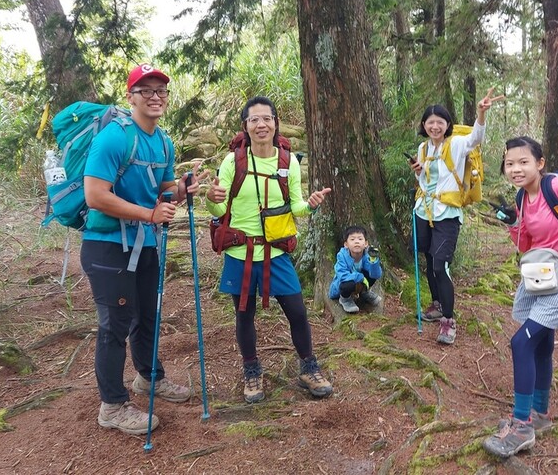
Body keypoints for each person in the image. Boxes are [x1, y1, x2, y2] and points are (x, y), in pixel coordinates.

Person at [81, 64, 202, 436]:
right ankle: (112, 406)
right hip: (107, 247)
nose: (154, 96)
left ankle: (149, 379)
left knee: (148, 315)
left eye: (161, 91)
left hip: (144, 244)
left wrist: (182, 189)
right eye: (145, 90)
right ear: (130, 96)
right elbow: (95, 195)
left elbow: (160, 184)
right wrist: (150, 213)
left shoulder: (163, 141)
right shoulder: (115, 138)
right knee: (114, 325)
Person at [205, 96, 333, 404]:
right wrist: (210, 197)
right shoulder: (232, 161)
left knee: (298, 312)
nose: (261, 124)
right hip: (241, 254)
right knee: (244, 314)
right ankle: (251, 371)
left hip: (276, 253)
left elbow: (296, 206)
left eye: (267, 118)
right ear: (245, 126)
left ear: (275, 123)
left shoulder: (287, 162)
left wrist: (311, 206)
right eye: (254, 120)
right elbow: (220, 207)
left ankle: (309, 367)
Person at [483, 136, 558, 458]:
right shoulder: (522, 197)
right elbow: (526, 246)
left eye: (523, 162)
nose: (515, 169)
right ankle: (539, 413)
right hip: (541, 277)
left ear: (540, 163)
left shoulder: (555, 188)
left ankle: (521, 427)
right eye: (510, 163)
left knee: (521, 342)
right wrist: (513, 223)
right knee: (541, 343)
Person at [408, 89, 503, 344]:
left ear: (448, 125)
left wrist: (481, 113)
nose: (435, 126)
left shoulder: (457, 144)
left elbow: (476, 138)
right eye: (430, 122)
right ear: (424, 125)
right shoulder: (422, 148)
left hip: (447, 214)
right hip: (423, 211)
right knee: (429, 261)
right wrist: (418, 170)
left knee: (441, 265)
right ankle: (437, 303)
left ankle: (448, 320)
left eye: (440, 121)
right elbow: (425, 181)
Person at [328, 225, 383, 313]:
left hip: (359, 282)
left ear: (365, 244)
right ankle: (345, 299)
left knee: (371, 275)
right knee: (347, 283)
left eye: (360, 239)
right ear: (346, 244)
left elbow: (375, 275)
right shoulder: (342, 256)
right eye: (352, 239)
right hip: (343, 286)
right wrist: (360, 277)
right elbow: (342, 275)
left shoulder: (367, 255)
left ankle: (364, 292)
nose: (356, 242)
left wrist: (373, 261)